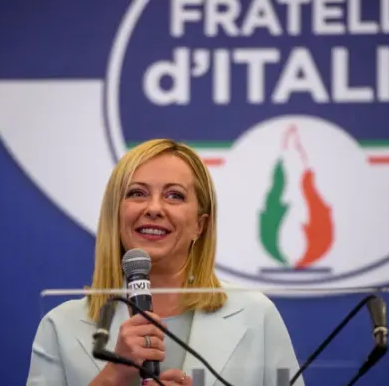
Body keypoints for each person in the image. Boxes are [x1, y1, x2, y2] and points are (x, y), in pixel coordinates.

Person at [26, 139, 305, 386]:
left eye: (174, 196)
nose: (154, 208)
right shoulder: (60, 326)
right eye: (137, 193)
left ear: (200, 225)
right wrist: (114, 376)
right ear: (116, 215)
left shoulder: (255, 314)